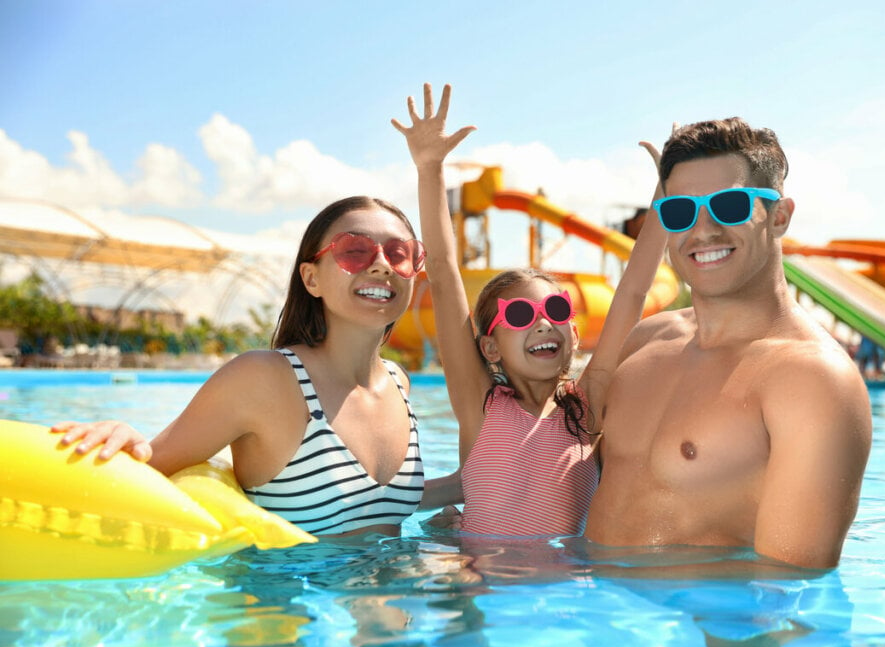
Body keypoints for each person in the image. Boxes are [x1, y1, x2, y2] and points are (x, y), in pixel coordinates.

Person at [52, 196, 451, 537]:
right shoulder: (265, 379)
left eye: (400, 254)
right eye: (354, 251)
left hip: (393, 615)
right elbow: (150, 467)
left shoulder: (398, 382)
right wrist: (124, 440)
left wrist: (470, 489)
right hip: (291, 619)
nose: (381, 264)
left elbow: (375, 503)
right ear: (311, 279)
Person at [584, 117, 872, 571]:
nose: (703, 231)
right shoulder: (645, 342)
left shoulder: (810, 381)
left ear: (779, 216)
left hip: (688, 636)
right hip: (581, 621)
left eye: (730, 206)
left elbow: (785, 590)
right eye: (679, 211)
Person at [392, 83, 668, 536]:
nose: (543, 322)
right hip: (479, 587)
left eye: (557, 311)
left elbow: (634, 292)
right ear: (490, 347)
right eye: (520, 316)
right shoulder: (479, 404)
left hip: (566, 591)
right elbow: (442, 274)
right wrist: (429, 168)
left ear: (575, 336)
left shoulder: (588, 406)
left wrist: (664, 196)